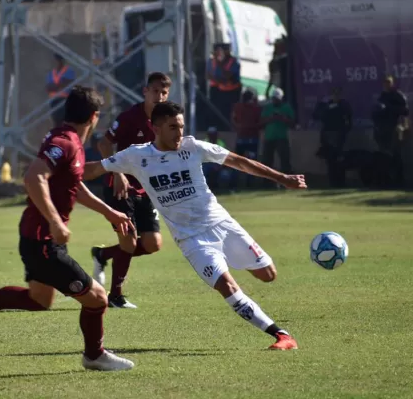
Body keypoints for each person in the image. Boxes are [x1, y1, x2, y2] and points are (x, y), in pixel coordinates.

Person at [0, 86, 135, 372]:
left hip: (35, 237)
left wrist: (109, 212)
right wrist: (55, 220)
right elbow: (33, 176)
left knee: (39, 299)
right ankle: (94, 355)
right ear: (95, 117)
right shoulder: (66, 142)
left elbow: (74, 184)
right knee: (97, 299)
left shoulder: (66, 138)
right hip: (43, 241)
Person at [84, 101, 305, 350]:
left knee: (268, 275)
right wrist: (54, 174)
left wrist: (282, 178)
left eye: (181, 126)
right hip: (191, 240)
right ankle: (282, 335)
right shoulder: (136, 155)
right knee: (227, 286)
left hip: (222, 225)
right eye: (172, 127)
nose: (179, 133)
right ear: (155, 128)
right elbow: (92, 170)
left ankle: (235, 264)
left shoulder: (193, 147)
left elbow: (239, 161)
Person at [91, 72, 172, 309]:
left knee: (152, 244)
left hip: (146, 189)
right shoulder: (129, 117)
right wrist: (116, 173)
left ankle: (103, 256)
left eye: (164, 92)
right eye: (155, 91)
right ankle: (115, 296)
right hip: (120, 188)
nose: (160, 96)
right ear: (145, 92)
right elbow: (103, 143)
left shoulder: (166, 121)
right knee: (128, 242)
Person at [371, 75, 409, 188]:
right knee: (383, 155)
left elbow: (405, 111)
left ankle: (399, 181)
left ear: (392, 83)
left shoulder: (398, 95)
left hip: (395, 128)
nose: (386, 84)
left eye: (388, 82)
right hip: (382, 129)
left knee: (395, 154)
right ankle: (386, 180)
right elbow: (376, 111)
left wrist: (389, 107)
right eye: (384, 82)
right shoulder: (382, 96)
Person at [313, 87, 352, 188]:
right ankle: (332, 182)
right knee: (330, 160)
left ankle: (341, 182)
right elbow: (316, 115)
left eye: (337, 94)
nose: (336, 96)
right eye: (334, 94)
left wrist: (345, 131)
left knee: (339, 159)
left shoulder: (344, 105)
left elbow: (349, 118)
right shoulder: (326, 104)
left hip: (339, 134)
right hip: (328, 134)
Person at [261, 88, 295, 184]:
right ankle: (267, 182)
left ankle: (287, 181)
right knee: (267, 160)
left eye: (277, 99)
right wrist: (271, 118)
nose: (275, 100)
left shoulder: (286, 107)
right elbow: (262, 121)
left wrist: (282, 118)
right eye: (274, 98)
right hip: (269, 137)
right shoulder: (268, 107)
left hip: (281, 137)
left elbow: (292, 123)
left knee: (285, 160)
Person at [230, 89, 262, 189]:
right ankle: (249, 183)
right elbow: (260, 122)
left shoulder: (238, 107)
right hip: (252, 138)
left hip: (242, 137)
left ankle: (236, 183)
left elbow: (233, 119)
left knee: (237, 161)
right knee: (251, 162)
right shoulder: (255, 108)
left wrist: (238, 126)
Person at [46, 54, 76, 127]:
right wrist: (59, 85)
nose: (54, 63)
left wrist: (56, 86)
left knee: (65, 121)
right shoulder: (51, 73)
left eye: (56, 60)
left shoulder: (68, 71)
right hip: (53, 101)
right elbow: (48, 88)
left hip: (65, 100)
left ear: (60, 61)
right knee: (56, 122)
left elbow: (66, 83)